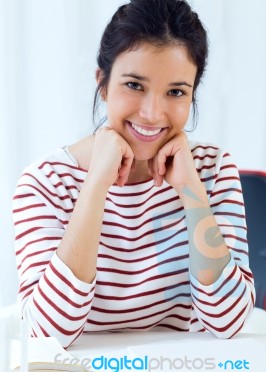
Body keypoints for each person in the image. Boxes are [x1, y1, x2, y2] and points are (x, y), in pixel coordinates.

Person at [13, 0, 255, 348]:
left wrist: (191, 192)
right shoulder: (45, 183)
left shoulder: (212, 169)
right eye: (134, 85)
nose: (152, 114)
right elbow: (48, 335)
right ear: (103, 84)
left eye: (175, 92)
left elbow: (228, 322)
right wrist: (96, 184)